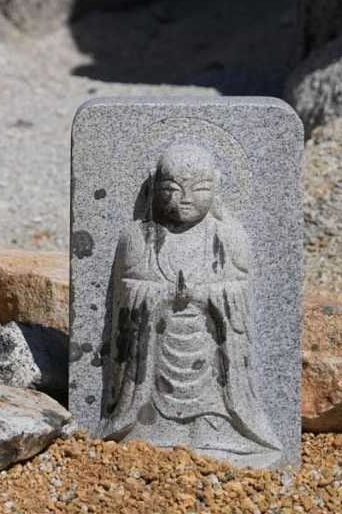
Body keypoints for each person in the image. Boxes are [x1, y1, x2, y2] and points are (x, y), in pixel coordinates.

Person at [102, 141, 281, 466]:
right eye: (171, 189)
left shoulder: (229, 237)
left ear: (217, 184)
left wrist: (205, 295)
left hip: (210, 348)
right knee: (148, 423)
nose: (184, 199)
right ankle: (153, 429)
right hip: (155, 351)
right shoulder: (137, 237)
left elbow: (242, 290)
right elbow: (126, 291)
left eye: (199, 189)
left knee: (213, 407)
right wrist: (162, 296)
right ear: (154, 184)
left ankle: (215, 430)